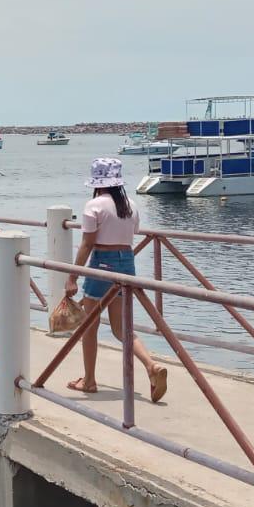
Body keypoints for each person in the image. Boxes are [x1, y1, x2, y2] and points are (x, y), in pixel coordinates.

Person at [63, 158, 168, 402]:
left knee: (89, 325)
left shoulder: (94, 206)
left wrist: (72, 277)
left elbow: (87, 244)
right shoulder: (130, 204)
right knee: (121, 328)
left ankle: (89, 381)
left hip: (102, 262)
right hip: (127, 263)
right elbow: (134, 233)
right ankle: (151, 365)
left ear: (97, 182)